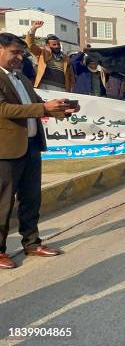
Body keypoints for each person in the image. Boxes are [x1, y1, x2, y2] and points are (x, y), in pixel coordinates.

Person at [0, 32, 81, 269]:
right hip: (6, 150)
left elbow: (36, 107)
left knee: (31, 199)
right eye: (15, 53)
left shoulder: (23, 79)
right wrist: (43, 107)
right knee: (3, 202)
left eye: (22, 53)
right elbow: (4, 109)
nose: (20, 58)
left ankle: (32, 243)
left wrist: (61, 110)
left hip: (31, 146)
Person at [25, 21, 74, 91]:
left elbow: (71, 76)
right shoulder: (43, 53)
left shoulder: (65, 58)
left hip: (62, 89)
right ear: (48, 45)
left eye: (58, 44)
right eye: (54, 44)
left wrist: (71, 89)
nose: (57, 46)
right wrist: (33, 29)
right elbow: (29, 45)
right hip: (44, 87)